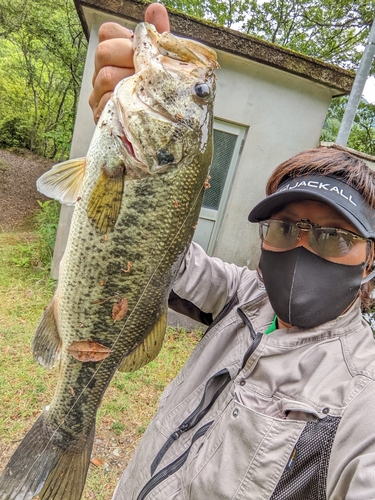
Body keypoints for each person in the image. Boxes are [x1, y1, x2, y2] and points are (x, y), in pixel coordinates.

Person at [90, 5, 375, 499]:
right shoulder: (243, 298)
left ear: (371, 263)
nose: (302, 246)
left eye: (335, 235)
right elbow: (159, 255)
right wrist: (129, 153)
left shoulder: (361, 396)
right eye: (286, 228)